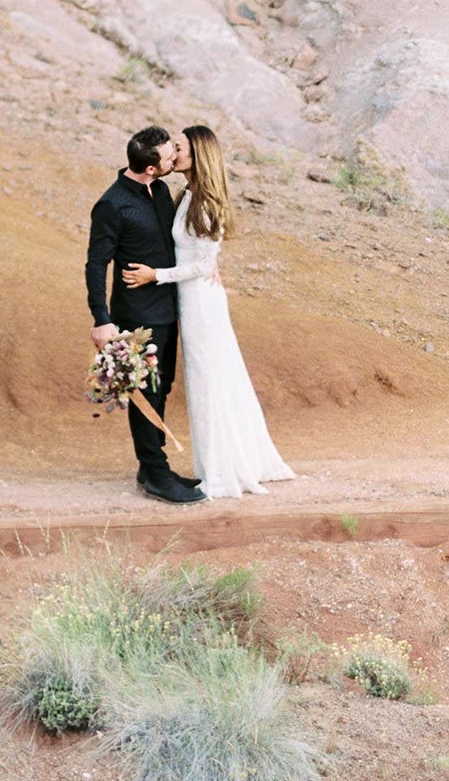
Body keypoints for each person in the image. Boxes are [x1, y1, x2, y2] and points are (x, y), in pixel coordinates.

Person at [121, 124, 294, 500]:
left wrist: (156, 275)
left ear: (197, 155)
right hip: (188, 300)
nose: (173, 152)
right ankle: (216, 461)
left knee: (208, 383)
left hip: (202, 304)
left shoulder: (207, 201)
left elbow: (202, 264)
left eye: (179, 147)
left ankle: (219, 470)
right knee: (207, 381)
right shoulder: (186, 194)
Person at [85, 126, 206, 505]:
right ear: (151, 167)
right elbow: (95, 264)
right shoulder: (113, 204)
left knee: (163, 386)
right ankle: (155, 472)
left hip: (168, 311)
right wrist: (101, 319)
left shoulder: (163, 191)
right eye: (169, 155)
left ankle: (151, 467)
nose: (175, 158)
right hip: (136, 317)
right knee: (146, 394)